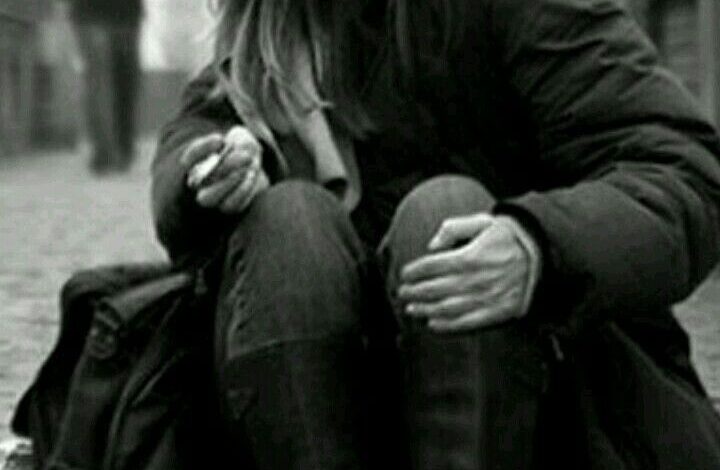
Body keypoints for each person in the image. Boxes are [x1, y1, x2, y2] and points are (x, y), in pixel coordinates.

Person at [151, 0, 720, 468]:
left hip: (534, 403)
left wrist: (539, 248)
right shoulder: (261, 42)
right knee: (288, 219)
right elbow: (185, 154)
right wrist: (209, 177)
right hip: (311, 406)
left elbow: (682, 174)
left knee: (444, 213)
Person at [65, 0, 143, 173]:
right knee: (101, 79)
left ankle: (118, 150)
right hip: (93, 12)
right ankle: (106, 152)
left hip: (123, 13)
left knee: (120, 78)